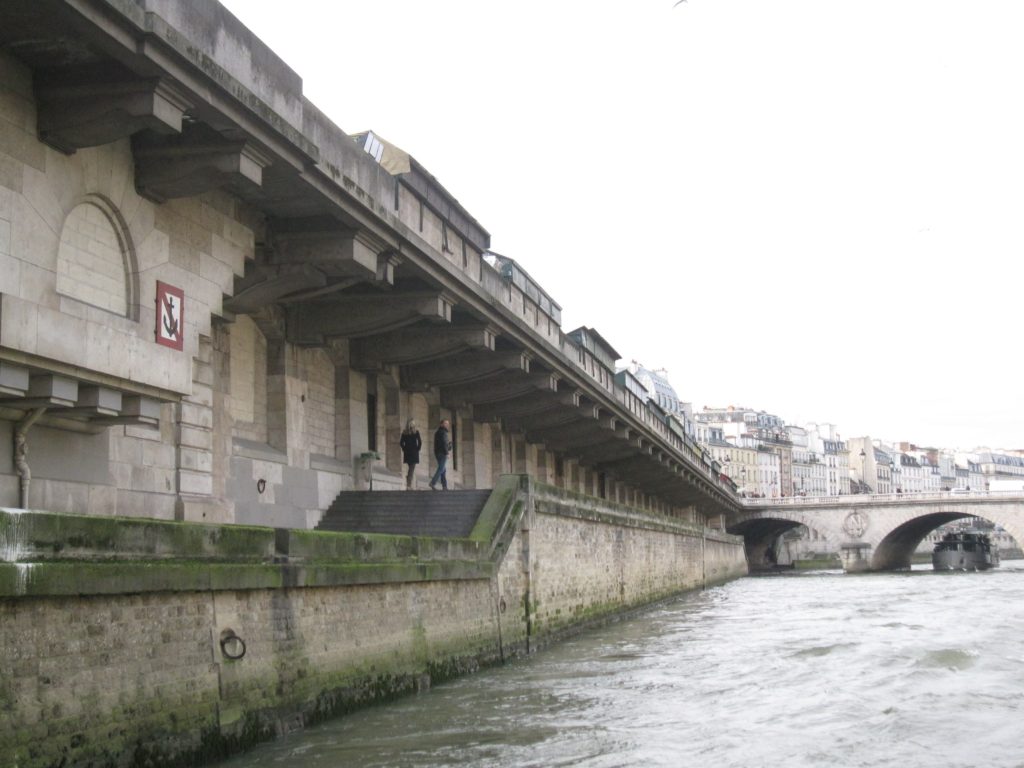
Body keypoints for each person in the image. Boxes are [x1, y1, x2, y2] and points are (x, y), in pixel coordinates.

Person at [429, 419, 452, 491]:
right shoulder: (443, 433)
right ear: (441, 424)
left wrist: (449, 446)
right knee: (441, 468)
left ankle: (444, 486)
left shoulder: (438, 432)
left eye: (448, 424)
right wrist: (447, 453)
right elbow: (444, 444)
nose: (447, 425)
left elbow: (442, 444)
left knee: (443, 469)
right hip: (442, 453)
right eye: (445, 423)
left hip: (438, 453)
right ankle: (433, 483)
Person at [399, 419, 421, 490]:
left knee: (411, 468)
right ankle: (408, 484)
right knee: (411, 469)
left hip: (408, 453)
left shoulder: (405, 433)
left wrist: (404, 448)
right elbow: (420, 442)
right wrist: (417, 449)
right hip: (413, 453)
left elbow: (401, 443)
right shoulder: (416, 432)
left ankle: (409, 483)